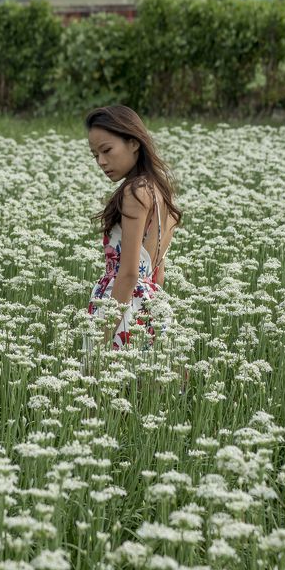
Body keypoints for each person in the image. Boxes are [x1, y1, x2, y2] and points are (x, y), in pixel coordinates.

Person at [83, 104, 188, 392]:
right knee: (150, 399)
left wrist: (104, 336)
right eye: (95, 155)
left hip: (121, 304)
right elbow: (157, 273)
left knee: (103, 400)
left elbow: (128, 273)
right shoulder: (159, 192)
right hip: (153, 304)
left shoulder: (133, 192)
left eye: (107, 150)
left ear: (133, 143)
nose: (101, 162)